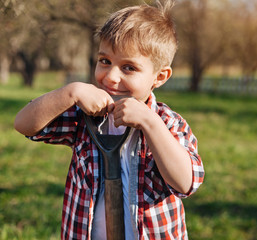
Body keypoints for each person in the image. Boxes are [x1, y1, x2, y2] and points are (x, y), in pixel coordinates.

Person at [14, 0, 204, 239]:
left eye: (129, 68)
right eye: (105, 61)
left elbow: (186, 183)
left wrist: (150, 123)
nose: (111, 77)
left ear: (160, 76)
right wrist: (70, 92)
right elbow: (24, 124)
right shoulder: (84, 117)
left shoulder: (167, 123)